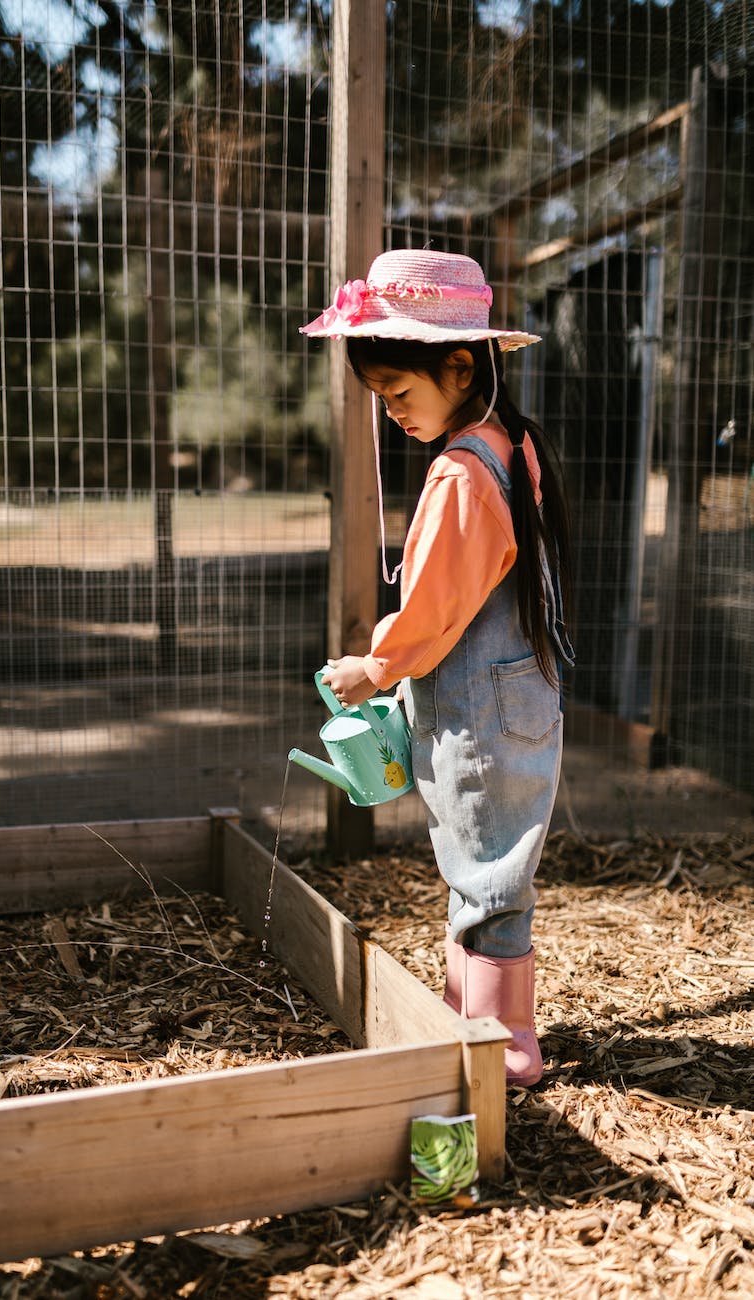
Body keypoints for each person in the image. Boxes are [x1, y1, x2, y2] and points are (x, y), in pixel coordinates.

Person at [301, 249, 574, 1087]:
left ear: (458, 365)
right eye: (381, 398)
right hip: (516, 693)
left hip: (482, 712)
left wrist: (375, 667)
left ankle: (501, 1044)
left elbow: (435, 605)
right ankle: (469, 1020)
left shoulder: (461, 473)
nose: (392, 414)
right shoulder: (508, 442)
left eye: (399, 394)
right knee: (482, 860)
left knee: (486, 870)